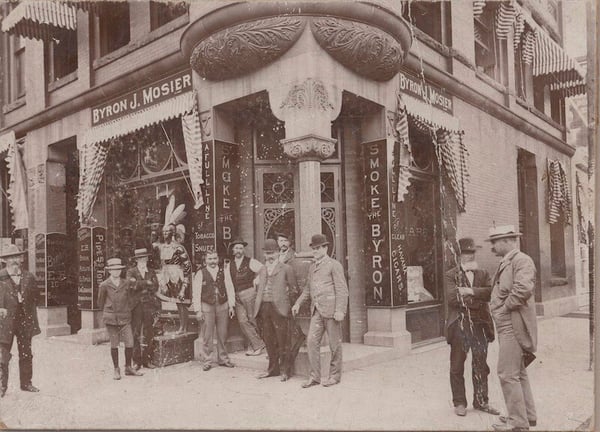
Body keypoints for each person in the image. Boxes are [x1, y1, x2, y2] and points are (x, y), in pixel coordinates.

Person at [486, 225, 537, 432]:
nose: (492, 246)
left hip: (513, 324)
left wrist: (503, 310)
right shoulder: (508, 261)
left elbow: (523, 289)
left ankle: (518, 423)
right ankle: (528, 417)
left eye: (494, 242)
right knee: (518, 372)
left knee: (507, 374)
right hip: (507, 323)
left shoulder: (521, 260)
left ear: (508, 241)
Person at [446, 237, 499, 417]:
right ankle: (460, 402)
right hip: (460, 325)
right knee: (457, 365)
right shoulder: (450, 275)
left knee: (480, 364)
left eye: (472, 253)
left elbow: (490, 293)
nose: (469, 257)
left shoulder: (483, 273)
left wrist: (469, 292)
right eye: (465, 253)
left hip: (479, 325)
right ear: (458, 255)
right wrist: (478, 298)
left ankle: (481, 401)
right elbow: (453, 299)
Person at [291, 233, 348, 388]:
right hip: (316, 310)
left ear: (325, 248)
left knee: (334, 345)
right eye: (313, 248)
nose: (315, 251)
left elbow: (342, 290)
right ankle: (315, 377)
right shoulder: (312, 267)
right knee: (311, 342)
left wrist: (340, 310)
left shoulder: (334, 265)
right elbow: (308, 290)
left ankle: (335, 376)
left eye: (318, 248)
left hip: (332, 311)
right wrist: (297, 303)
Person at [254, 239, 298, 381]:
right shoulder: (262, 269)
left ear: (279, 252)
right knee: (268, 339)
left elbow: (293, 290)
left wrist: (288, 308)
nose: (270, 256)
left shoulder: (286, 268)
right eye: (267, 253)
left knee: (283, 340)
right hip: (264, 308)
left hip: (280, 309)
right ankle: (273, 369)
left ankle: (285, 371)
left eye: (272, 253)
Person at [0, 244, 40, 397]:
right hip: (5, 322)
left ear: (21, 259)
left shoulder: (29, 276)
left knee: (26, 353)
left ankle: (26, 383)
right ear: (5, 261)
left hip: (24, 321)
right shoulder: (0, 276)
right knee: (3, 355)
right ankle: (2, 386)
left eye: (16, 257)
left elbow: (36, 297)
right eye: (11, 258)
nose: (14, 261)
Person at [98, 258, 143, 380]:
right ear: (109, 271)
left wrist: (128, 308)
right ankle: (116, 369)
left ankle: (128, 367)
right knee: (114, 344)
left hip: (125, 318)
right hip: (111, 319)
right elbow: (100, 303)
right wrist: (109, 310)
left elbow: (132, 298)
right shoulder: (104, 285)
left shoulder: (126, 283)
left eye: (118, 269)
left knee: (130, 342)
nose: (116, 272)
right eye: (113, 269)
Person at [192, 250, 236, 371]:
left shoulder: (224, 271)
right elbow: (196, 293)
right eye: (210, 259)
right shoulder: (200, 273)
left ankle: (223, 359)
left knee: (222, 334)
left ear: (218, 259)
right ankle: (207, 360)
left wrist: (231, 305)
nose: (212, 261)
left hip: (222, 304)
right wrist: (198, 310)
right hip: (207, 305)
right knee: (207, 335)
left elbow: (230, 287)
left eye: (214, 258)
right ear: (205, 260)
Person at [229, 238, 265, 356]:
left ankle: (257, 346)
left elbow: (263, 270)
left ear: (243, 249)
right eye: (236, 248)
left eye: (241, 248)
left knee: (252, 320)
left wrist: (257, 280)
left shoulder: (250, 261)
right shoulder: (229, 264)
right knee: (243, 321)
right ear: (233, 250)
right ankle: (258, 344)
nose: (239, 250)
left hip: (249, 293)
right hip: (237, 296)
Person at [275, 232, 306, 372]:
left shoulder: (294, 256)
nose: (282, 243)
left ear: (289, 242)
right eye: (280, 240)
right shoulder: (274, 256)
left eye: (285, 240)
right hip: (275, 296)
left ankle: (287, 362)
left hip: (287, 295)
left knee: (288, 328)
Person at [126, 248, 160, 369]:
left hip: (148, 306)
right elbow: (131, 286)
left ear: (146, 258)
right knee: (135, 333)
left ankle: (147, 360)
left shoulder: (151, 271)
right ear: (136, 260)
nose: (142, 260)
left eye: (144, 258)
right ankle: (136, 361)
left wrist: (140, 283)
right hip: (136, 306)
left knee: (149, 332)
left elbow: (155, 286)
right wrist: (147, 283)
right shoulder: (131, 271)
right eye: (140, 258)